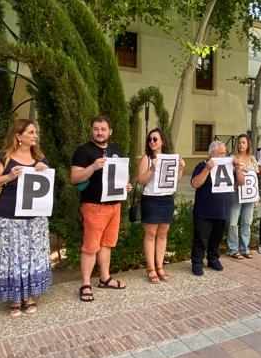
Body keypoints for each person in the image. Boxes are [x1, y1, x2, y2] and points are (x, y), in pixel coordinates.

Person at [0, 119, 53, 315]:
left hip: (35, 220)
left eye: (35, 132)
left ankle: (29, 296)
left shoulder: (41, 159)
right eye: (31, 132)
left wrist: (44, 171)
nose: (35, 135)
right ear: (18, 136)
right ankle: (14, 299)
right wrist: (9, 177)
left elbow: (46, 186)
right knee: (12, 257)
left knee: (32, 256)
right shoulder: (4, 158)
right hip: (10, 218)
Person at [70, 116, 132, 301]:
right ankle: (86, 283)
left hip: (114, 205)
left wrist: (126, 185)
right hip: (94, 206)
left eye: (103, 129)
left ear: (110, 131)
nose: (99, 132)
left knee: (107, 244)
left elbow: (122, 175)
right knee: (90, 247)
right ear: (91, 130)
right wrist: (93, 167)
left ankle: (105, 279)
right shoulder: (83, 151)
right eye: (96, 129)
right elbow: (74, 178)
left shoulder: (116, 150)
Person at [137, 128, 185, 281]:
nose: (152, 142)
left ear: (162, 141)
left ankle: (160, 266)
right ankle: (151, 268)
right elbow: (141, 181)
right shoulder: (147, 158)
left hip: (167, 199)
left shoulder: (169, 158)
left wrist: (181, 168)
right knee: (150, 234)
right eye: (150, 139)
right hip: (151, 199)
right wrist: (152, 168)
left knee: (163, 234)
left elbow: (175, 181)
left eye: (155, 139)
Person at [190, 141, 235, 275]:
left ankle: (213, 258)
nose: (224, 155)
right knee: (201, 238)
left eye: (225, 153)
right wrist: (207, 169)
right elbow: (195, 183)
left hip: (221, 210)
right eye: (221, 153)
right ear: (212, 154)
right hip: (204, 211)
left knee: (216, 238)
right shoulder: (201, 165)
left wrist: (237, 168)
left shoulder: (227, 167)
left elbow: (241, 182)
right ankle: (197, 262)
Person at [227, 133, 256, 257]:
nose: (241, 144)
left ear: (248, 144)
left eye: (243, 142)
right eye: (239, 142)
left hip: (249, 193)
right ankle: (233, 249)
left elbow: (255, 176)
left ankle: (245, 249)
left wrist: (257, 195)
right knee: (233, 222)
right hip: (236, 191)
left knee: (247, 222)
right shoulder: (232, 158)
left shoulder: (253, 158)